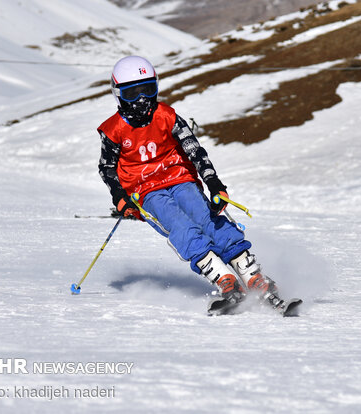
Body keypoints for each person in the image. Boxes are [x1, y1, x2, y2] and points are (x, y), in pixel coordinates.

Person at [97, 55, 285, 314]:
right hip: (146, 191)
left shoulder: (167, 116)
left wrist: (214, 182)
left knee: (209, 219)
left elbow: (195, 150)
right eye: (132, 94)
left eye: (147, 90)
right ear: (118, 94)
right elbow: (107, 168)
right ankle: (225, 280)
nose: (142, 101)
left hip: (180, 178)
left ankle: (252, 274)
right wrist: (120, 196)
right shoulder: (114, 130)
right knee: (181, 227)